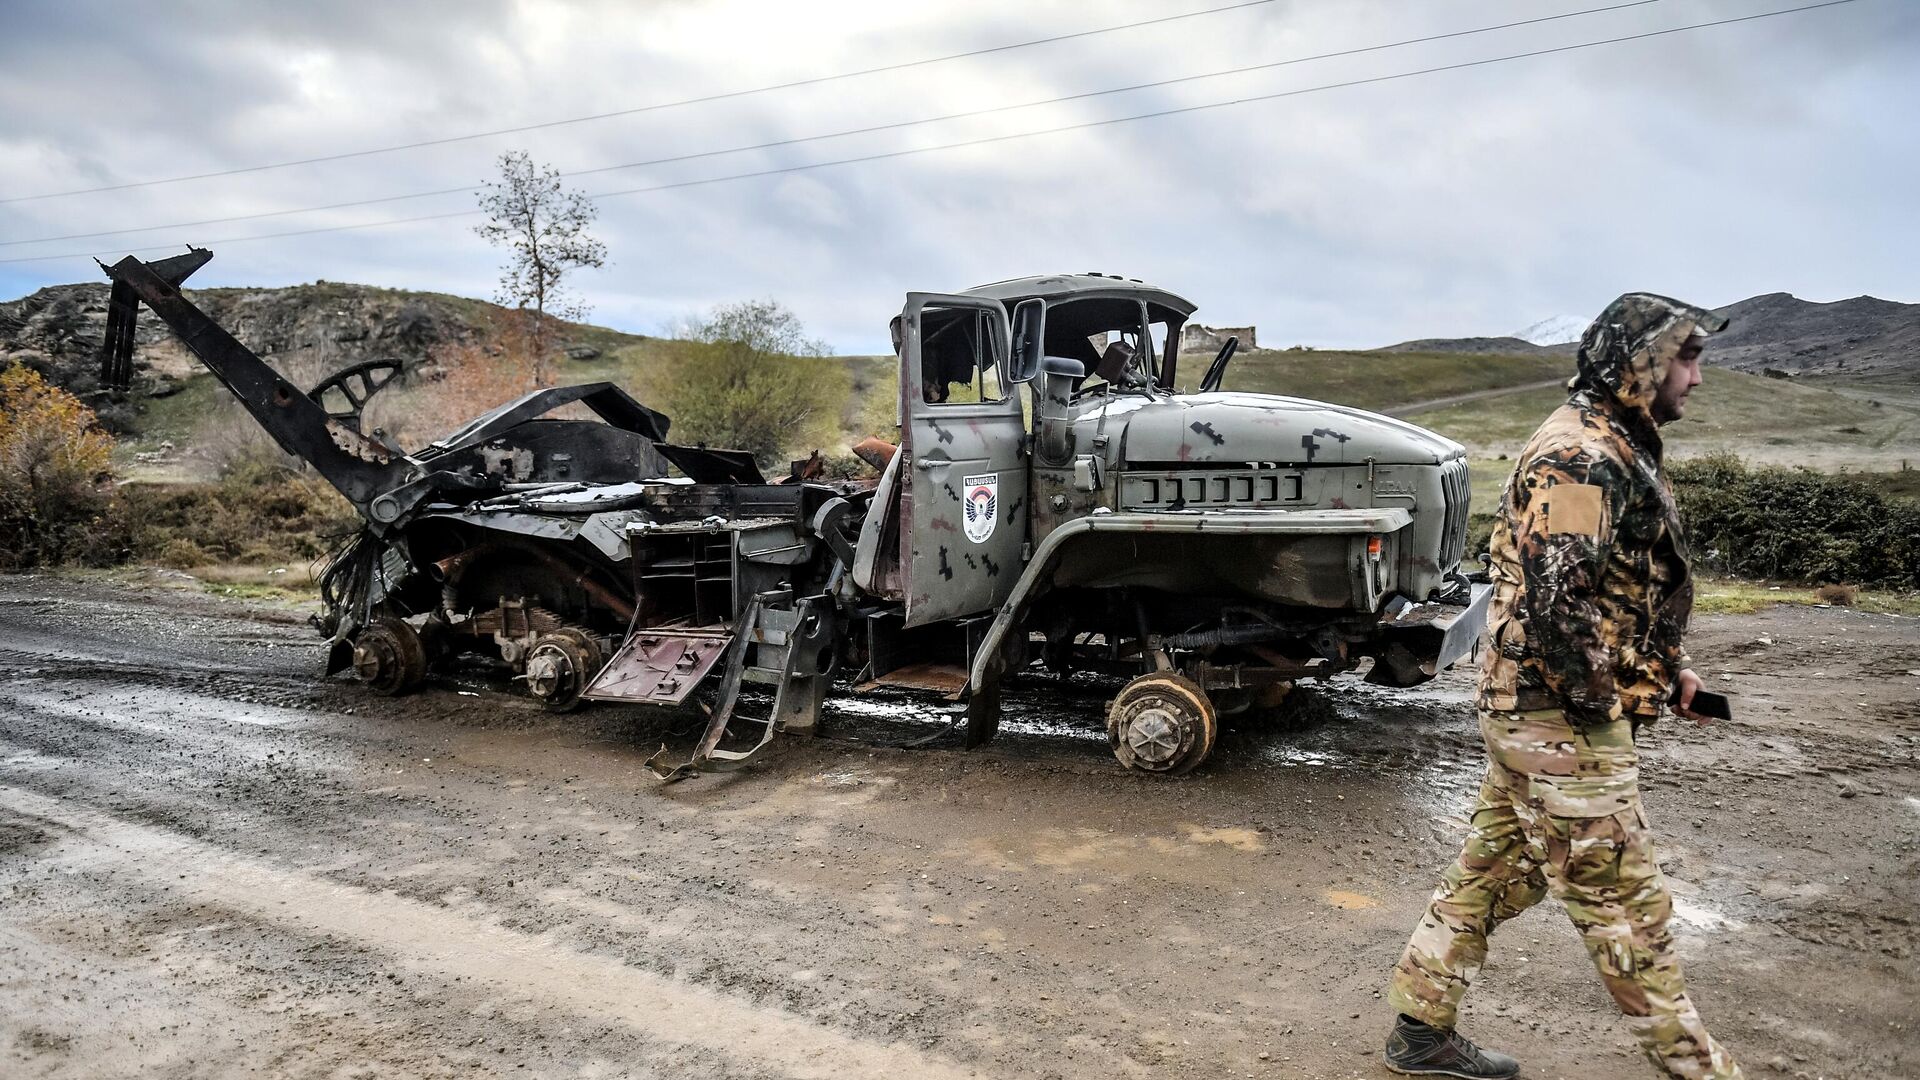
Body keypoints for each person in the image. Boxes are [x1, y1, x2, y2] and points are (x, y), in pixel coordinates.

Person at [1382, 293, 1743, 1079]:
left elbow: (1613, 587)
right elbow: (1556, 599)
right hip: (1558, 720)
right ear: (1640, 363)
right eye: (1687, 357)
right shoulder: (1579, 455)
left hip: (1540, 712)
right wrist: (1602, 712)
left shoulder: (1616, 441)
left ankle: (1419, 1030)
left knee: (1496, 870)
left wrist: (1667, 668)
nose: (1697, 377)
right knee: (1626, 907)